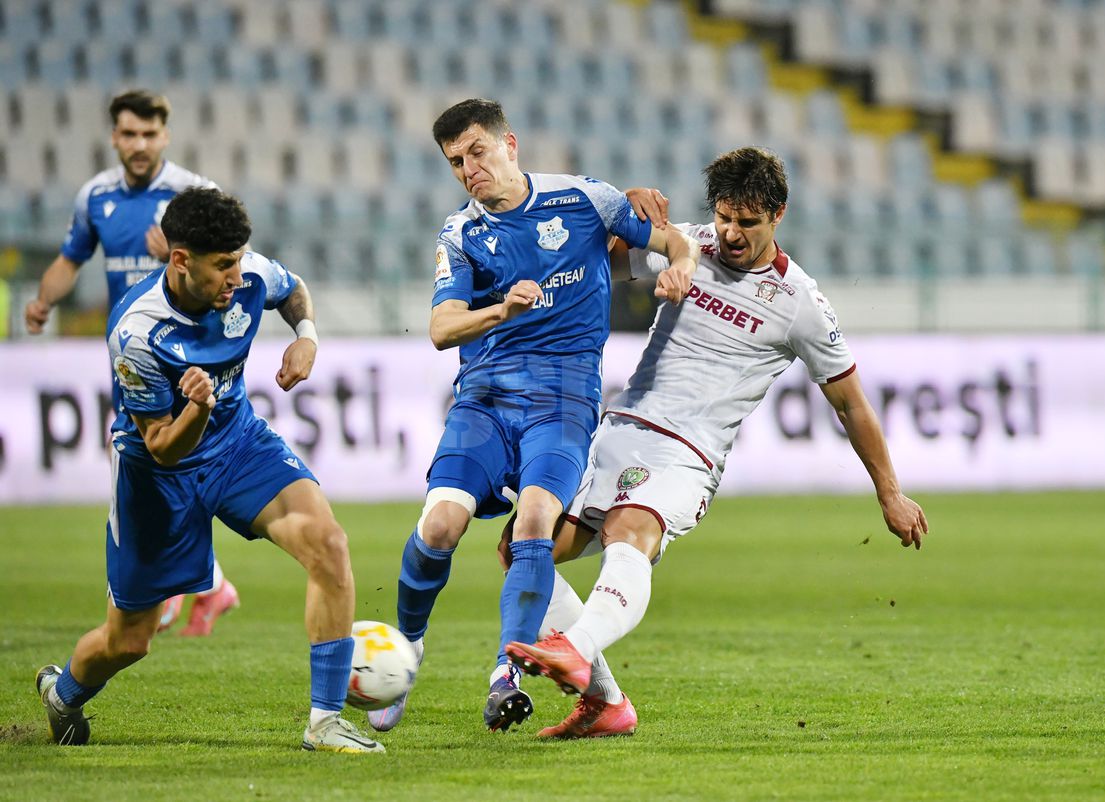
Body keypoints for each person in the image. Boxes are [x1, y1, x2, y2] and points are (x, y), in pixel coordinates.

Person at [503, 147, 930, 738]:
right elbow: (597, 265)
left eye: (748, 223)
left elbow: (850, 401)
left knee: (632, 530)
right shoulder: (688, 243)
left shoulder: (799, 302)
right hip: (618, 428)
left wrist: (891, 493)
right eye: (725, 216)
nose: (731, 233)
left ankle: (574, 647)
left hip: (687, 453)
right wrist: (622, 209)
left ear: (778, 215)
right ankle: (604, 701)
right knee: (521, 549)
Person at [367, 98, 698, 734]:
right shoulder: (460, 233)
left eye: (477, 153)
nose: (468, 170)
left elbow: (670, 237)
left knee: (536, 522)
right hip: (485, 399)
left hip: (564, 399)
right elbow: (440, 329)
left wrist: (680, 262)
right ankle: (404, 655)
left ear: (509, 144)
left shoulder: (583, 200)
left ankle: (504, 676)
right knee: (439, 526)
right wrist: (500, 313)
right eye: (455, 162)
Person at [35, 188, 384, 754]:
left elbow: (293, 290)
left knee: (329, 544)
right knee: (130, 641)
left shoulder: (247, 276)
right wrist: (195, 407)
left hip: (238, 443)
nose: (235, 275)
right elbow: (163, 446)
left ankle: (324, 721)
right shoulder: (137, 332)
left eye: (239, 259)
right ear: (180, 261)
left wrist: (306, 337)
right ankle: (65, 692)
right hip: (157, 476)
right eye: (222, 265)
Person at [24, 89, 238, 637]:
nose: (139, 145)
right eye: (128, 134)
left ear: (165, 135)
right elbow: (71, 259)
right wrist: (45, 300)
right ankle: (205, 583)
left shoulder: (192, 195)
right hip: (131, 351)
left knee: (154, 460)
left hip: (185, 352)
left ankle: (177, 587)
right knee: (145, 462)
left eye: (149, 134)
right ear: (114, 137)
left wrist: (174, 253)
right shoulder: (95, 197)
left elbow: (227, 269)